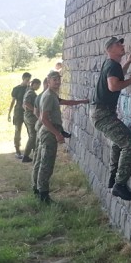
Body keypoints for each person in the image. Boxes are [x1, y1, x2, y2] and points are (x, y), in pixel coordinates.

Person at [90, 36, 131, 201]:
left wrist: (127, 63)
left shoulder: (111, 64)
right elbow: (113, 86)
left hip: (101, 113)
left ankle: (113, 177)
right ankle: (119, 185)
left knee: (118, 144)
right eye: (119, 44)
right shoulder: (112, 65)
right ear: (110, 48)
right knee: (130, 144)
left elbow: (116, 76)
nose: (122, 46)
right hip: (103, 114)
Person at [32, 70, 88, 203]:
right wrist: (57, 134)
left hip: (46, 131)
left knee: (40, 161)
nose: (57, 82)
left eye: (58, 79)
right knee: (46, 164)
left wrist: (82, 101)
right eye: (54, 79)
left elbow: (64, 102)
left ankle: (36, 188)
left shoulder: (51, 94)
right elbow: (44, 118)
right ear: (48, 80)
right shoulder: (49, 96)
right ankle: (43, 195)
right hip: (49, 132)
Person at [7, 72, 31, 159]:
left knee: (30, 130)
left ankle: (31, 148)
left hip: (27, 112)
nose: (28, 82)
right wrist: (9, 113)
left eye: (29, 80)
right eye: (27, 80)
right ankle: (17, 151)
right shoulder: (16, 89)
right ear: (23, 79)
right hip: (18, 112)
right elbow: (13, 101)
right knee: (17, 131)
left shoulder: (29, 89)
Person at [21, 78, 42, 163]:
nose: (38, 87)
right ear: (35, 84)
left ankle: (32, 153)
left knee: (33, 136)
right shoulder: (30, 92)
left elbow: (23, 104)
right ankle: (26, 156)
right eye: (38, 85)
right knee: (33, 137)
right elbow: (26, 103)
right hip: (31, 117)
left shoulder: (28, 91)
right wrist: (34, 110)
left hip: (28, 116)